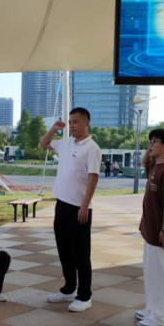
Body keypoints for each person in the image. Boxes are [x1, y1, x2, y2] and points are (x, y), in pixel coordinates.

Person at [41, 108, 101, 312]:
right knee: (64, 250)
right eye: (70, 122)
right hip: (61, 205)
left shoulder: (92, 148)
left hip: (79, 208)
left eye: (75, 122)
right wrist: (53, 128)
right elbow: (43, 143)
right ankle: (68, 289)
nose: (72, 125)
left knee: (81, 254)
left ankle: (84, 296)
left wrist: (84, 205)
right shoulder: (65, 143)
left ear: (86, 123)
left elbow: (93, 178)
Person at [135, 129, 164, 326]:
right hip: (150, 229)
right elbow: (144, 162)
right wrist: (149, 148)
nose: (150, 145)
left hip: (161, 233)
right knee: (151, 271)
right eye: (150, 141)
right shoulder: (155, 166)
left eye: (154, 141)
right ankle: (152, 309)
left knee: (161, 275)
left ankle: (161, 317)